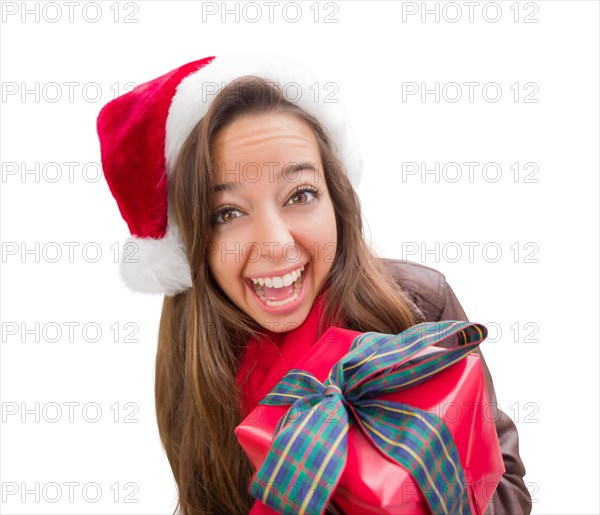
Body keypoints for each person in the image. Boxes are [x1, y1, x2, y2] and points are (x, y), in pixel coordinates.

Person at [97, 53, 531, 515]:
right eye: (227, 213)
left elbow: (509, 487)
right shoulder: (198, 359)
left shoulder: (418, 305)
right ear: (192, 244)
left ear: (335, 198)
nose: (277, 244)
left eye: (300, 195)